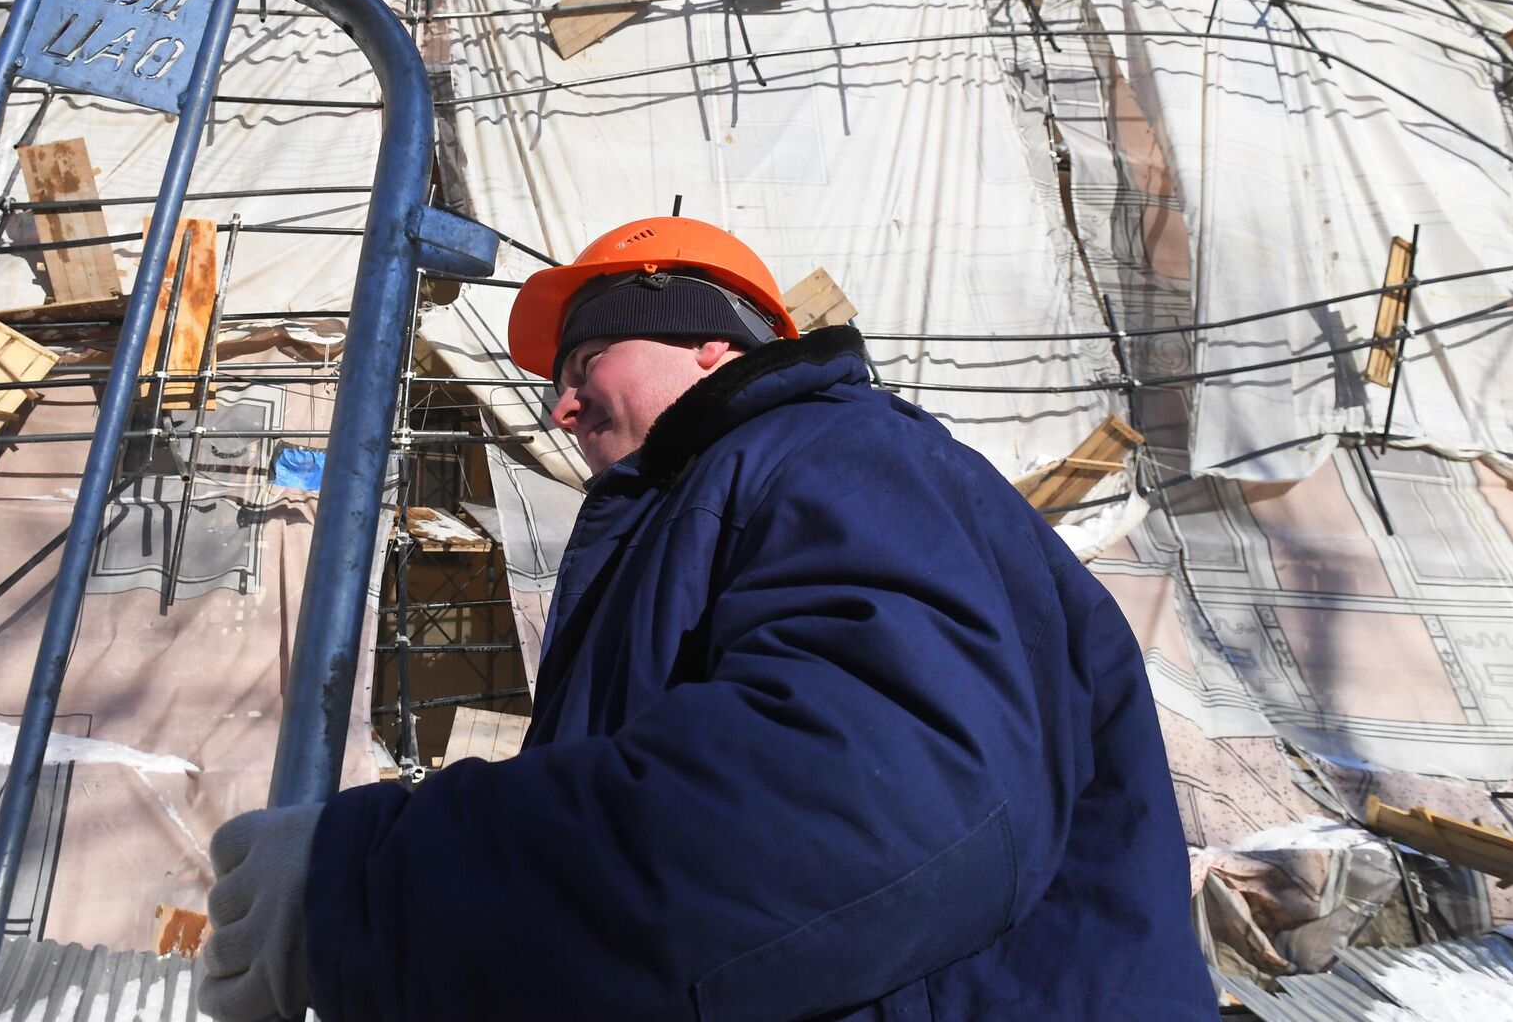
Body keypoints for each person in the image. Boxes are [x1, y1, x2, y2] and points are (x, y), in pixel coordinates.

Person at [199, 218, 1215, 1022]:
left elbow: (864, 797)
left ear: (709, 341)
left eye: (583, 357)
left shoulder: (837, 456)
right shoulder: (710, 508)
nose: (558, 405)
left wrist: (380, 895)